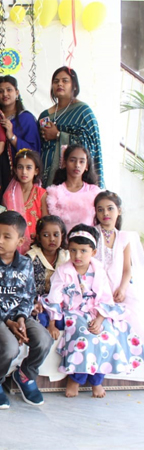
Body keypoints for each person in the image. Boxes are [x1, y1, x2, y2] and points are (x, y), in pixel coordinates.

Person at [42, 225, 142, 398]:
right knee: (84, 336)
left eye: (83, 251)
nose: (77, 256)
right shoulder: (63, 271)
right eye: (73, 250)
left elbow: (105, 298)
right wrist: (52, 323)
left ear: (93, 252)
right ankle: (75, 379)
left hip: (96, 312)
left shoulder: (98, 270)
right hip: (73, 311)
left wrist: (100, 319)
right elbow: (55, 297)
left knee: (108, 335)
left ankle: (97, 380)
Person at [0, 211, 53, 409]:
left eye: (6, 236)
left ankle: (25, 374)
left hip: (18, 316)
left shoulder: (26, 264)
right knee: (11, 347)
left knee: (44, 340)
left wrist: (20, 318)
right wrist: (8, 322)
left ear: (20, 241)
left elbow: (28, 295)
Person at [39, 67, 104, 187]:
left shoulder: (83, 112)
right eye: (56, 81)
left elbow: (88, 146)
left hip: (73, 178)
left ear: (74, 86)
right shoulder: (45, 115)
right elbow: (41, 144)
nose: (60, 84)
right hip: (46, 176)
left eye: (65, 81)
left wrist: (58, 135)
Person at [93, 191, 144, 338]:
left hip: (119, 289)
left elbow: (127, 270)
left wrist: (122, 289)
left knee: (133, 321)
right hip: (97, 289)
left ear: (119, 211)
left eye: (110, 208)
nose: (105, 213)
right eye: (100, 209)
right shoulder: (92, 234)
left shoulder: (125, 237)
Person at [26, 215, 69, 330]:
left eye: (56, 235)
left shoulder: (67, 256)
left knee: (65, 322)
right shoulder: (31, 257)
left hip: (61, 303)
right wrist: (34, 302)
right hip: (39, 303)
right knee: (41, 321)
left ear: (62, 235)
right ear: (38, 237)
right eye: (46, 235)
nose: (52, 239)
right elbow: (25, 287)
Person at [45, 144, 101, 234]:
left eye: (81, 161)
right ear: (64, 163)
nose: (77, 165)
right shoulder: (55, 192)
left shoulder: (93, 191)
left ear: (87, 166)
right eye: (72, 160)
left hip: (87, 241)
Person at [2, 149, 48, 253]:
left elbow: (46, 223)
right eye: (20, 167)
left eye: (28, 167)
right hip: (13, 247)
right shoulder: (8, 196)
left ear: (36, 171)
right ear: (15, 170)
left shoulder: (42, 194)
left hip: (36, 248)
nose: (24, 172)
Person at [0, 76, 41, 158]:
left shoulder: (27, 119)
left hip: (18, 165)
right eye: (1, 91)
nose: (5, 94)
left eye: (9, 90)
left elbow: (34, 151)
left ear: (17, 93)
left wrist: (12, 136)